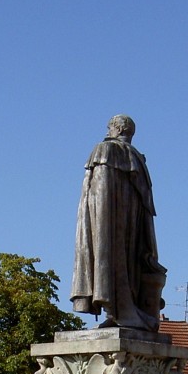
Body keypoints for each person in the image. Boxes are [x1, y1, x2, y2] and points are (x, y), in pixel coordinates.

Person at [71, 114, 166, 332]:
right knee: (126, 263)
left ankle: (119, 311)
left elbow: (99, 192)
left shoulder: (105, 151)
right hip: (129, 224)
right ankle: (118, 312)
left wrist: (100, 222)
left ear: (119, 129)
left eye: (110, 127)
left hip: (108, 221)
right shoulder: (139, 161)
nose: (108, 131)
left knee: (111, 259)